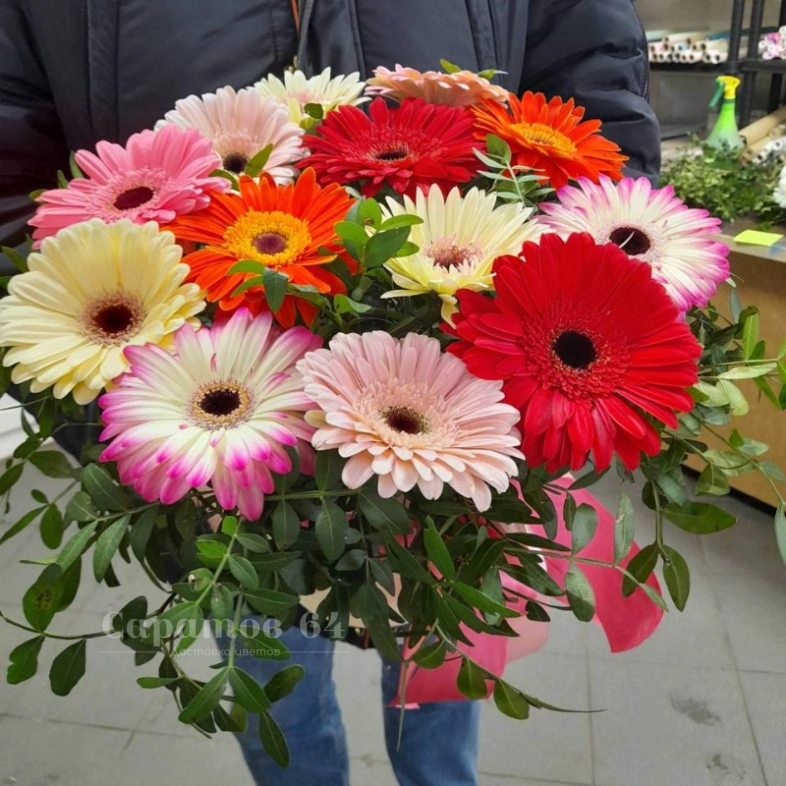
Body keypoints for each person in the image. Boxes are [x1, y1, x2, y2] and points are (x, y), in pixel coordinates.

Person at [0, 2, 660, 784]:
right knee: (269, 673)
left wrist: (561, 348)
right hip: (207, 443)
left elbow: (596, 118)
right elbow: (14, 178)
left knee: (441, 666)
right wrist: (115, 410)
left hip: (461, 409)